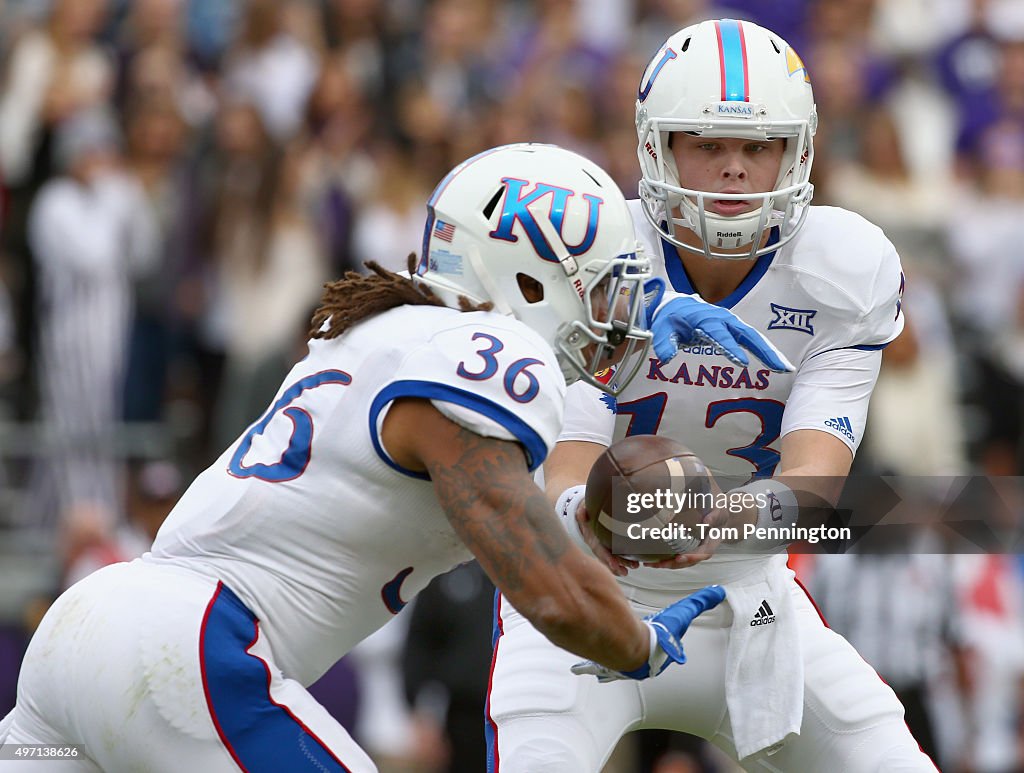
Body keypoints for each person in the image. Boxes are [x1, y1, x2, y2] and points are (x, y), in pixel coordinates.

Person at [0, 142, 789, 772]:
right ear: (528, 278)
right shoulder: (491, 353)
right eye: (605, 291)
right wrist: (639, 642)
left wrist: (587, 516)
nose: (619, 321)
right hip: (184, 649)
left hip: (88, 640)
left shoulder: (381, 331)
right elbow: (546, 586)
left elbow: (502, 507)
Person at [486, 20, 938, 772]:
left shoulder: (843, 273)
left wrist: (704, 516)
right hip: (580, 590)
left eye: (758, 147)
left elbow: (813, 493)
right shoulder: (602, 255)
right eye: (708, 144)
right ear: (657, 148)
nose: (735, 170)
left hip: (747, 598)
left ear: (796, 152)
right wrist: (593, 517)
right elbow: (571, 462)